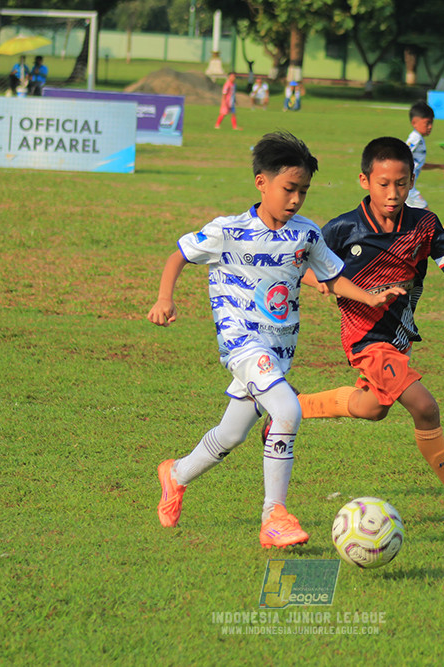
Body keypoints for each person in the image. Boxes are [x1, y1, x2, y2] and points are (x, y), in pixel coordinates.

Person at [150, 131, 404, 547]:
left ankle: (175, 475)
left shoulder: (304, 234)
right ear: (261, 183)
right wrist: (164, 298)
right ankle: (274, 516)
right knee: (286, 410)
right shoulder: (227, 231)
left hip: (279, 351)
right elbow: (179, 255)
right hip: (242, 345)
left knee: (231, 435)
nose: (296, 200)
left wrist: (372, 297)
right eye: (289, 189)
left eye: (303, 191)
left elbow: (333, 277)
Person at [288, 136, 444, 528]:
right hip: (365, 338)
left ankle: (293, 408)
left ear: (412, 181)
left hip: (398, 336)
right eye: (383, 184)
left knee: (374, 408)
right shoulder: (344, 229)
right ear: (364, 180)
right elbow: (301, 266)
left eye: (401, 183)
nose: (392, 193)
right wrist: (324, 283)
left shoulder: (423, 224)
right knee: (425, 407)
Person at [405, 101, 444, 209]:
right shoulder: (415, 138)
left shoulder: (419, 138)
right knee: (426, 213)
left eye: (432, 123)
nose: (430, 127)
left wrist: (440, 166)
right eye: (427, 123)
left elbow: (419, 164)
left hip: (407, 186)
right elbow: (402, 153)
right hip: (407, 187)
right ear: (414, 122)